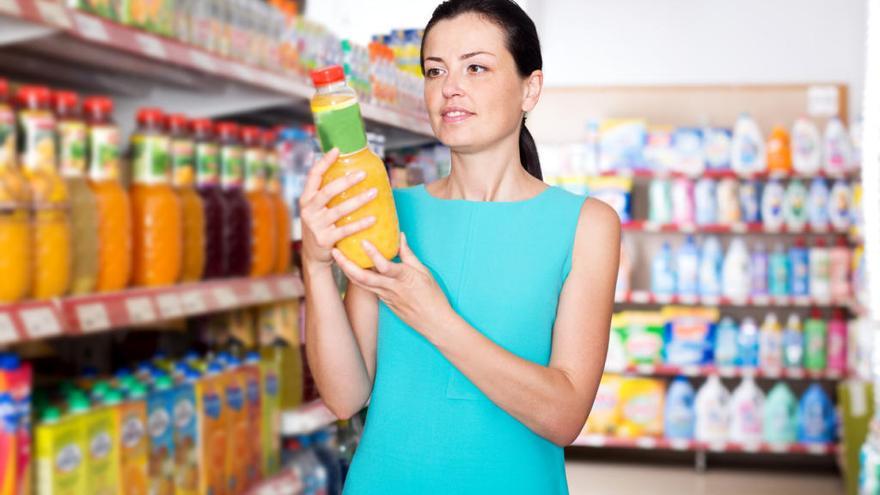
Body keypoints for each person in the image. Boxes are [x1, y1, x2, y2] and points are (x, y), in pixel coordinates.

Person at [300, 0, 620, 493]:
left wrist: (434, 315)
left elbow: (564, 416)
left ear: (529, 89)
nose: (450, 87)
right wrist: (316, 267)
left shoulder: (586, 225)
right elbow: (345, 397)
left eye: (476, 67)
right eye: (435, 70)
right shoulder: (388, 210)